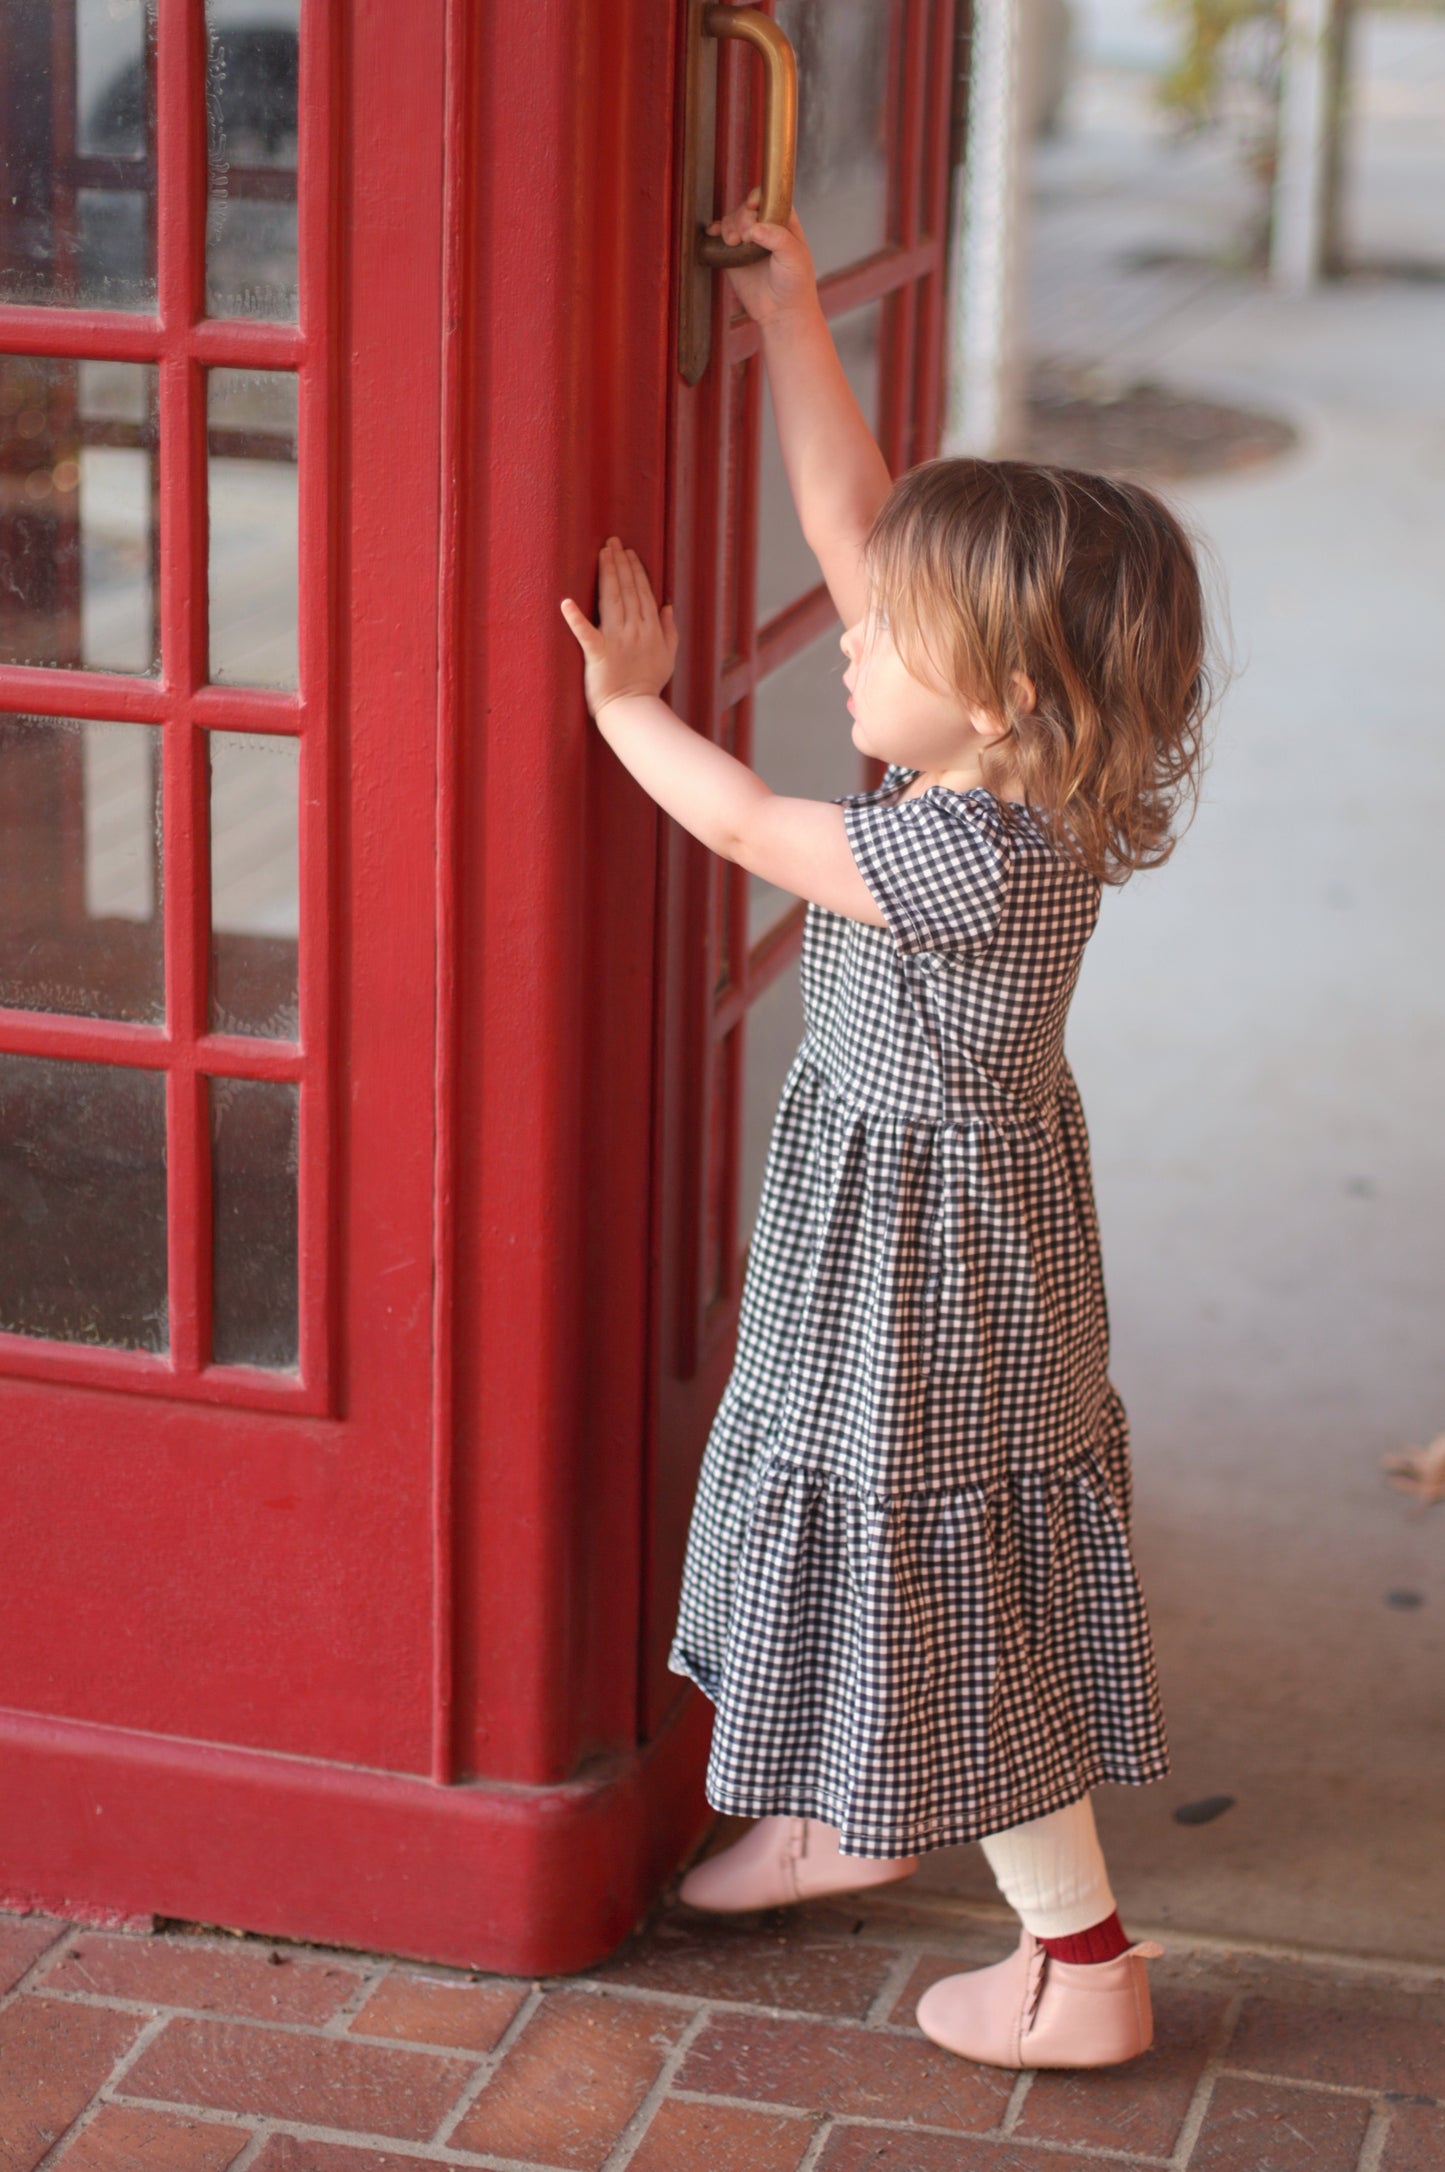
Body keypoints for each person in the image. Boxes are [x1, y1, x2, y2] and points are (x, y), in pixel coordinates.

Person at [560, 190, 1219, 2073]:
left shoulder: (947, 847)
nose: (851, 635)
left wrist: (627, 708)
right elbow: (859, 531)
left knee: (933, 1568)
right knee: (903, 1551)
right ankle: (853, 1802)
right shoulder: (1019, 769)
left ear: (1000, 687)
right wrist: (790, 323)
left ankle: (1076, 1964)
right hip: (957, 1234)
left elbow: (742, 824)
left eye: (890, 631)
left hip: (927, 1276)